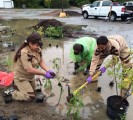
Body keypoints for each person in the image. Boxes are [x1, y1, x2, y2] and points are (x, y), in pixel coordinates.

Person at [4, 32, 56, 101]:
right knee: (29, 97)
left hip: (30, 77)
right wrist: (44, 74)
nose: (38, 47)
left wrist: (48, 70)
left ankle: (19, 87)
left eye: (39, 45)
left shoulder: (37, 49)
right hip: (21, 77)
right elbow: (29, 69)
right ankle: (13, 92)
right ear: (30, 44)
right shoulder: (24, 52)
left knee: (34, 92)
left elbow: (40, 61)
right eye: (37, 45)